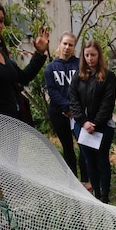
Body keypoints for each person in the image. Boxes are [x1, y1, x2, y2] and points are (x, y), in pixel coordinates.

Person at [69, 40, 116, 204]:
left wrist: (95, 123)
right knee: (88, 160)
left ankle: (105, 194)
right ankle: (96, 192)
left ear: (99, 55)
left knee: (102, 159)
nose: (90, 58)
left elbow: (108, 103)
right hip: (82, 127)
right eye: (87, 55)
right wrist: (83, 122)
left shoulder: (108, 76)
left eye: (93, 55)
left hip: (102, 127)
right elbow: (73, 101)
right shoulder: (78, 76)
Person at [45, 31, 83, 178]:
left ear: (74, 47)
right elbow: (52, 91)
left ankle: (86, 179)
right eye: (65, 44)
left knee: (83, 145)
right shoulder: (51, 67)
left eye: (70, 45)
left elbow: (83, 87)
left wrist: (74, 108)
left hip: (78, 113)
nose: (67, 47)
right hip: (58, 113)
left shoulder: (79, 64)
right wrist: (66, 107)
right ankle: (72, 179)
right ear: (60, 44)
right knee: (68, 147)